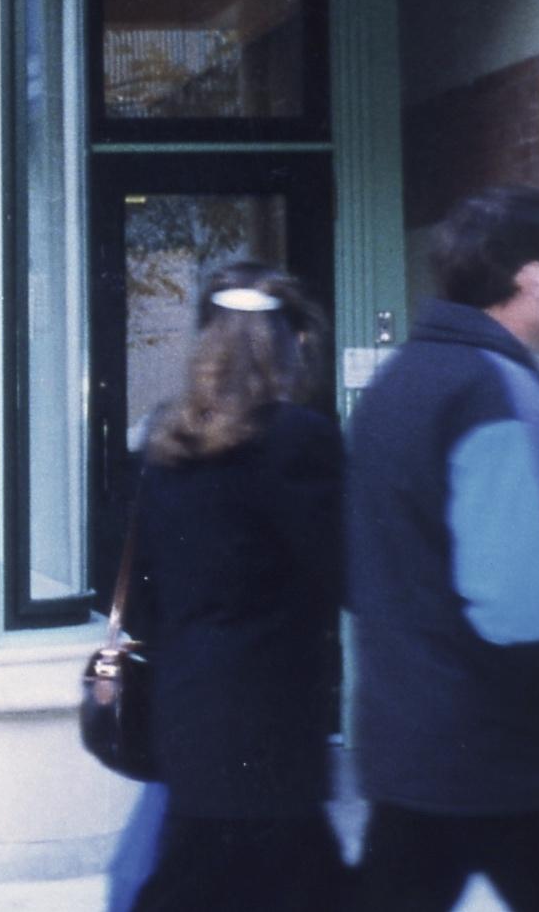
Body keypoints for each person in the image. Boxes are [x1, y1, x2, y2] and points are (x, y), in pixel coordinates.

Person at [347, 185, 539, 912]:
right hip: (514, 762)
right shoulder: (494, 393)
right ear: (531, 276)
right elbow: (524, 605)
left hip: (410, 750)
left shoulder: (396, 383)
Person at [126, 262, 349, 912]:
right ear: (286, 344)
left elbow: (145, 591)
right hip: (270, 713)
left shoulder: (167, 440)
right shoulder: (299, 439)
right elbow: (340, 571)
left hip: (189, 706)